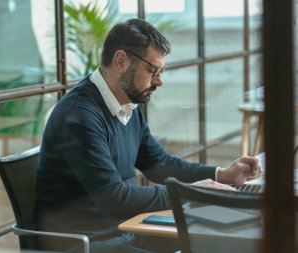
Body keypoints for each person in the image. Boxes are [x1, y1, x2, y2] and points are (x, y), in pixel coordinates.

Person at [34, 18, 261, 253]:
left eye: (161, 71)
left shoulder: (128, 105)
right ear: (121, 61)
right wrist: (194, 192)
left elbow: (158, 164)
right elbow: (115, 199)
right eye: (153, 70)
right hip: (86, 244)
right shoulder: (79, 116)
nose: (159, 81)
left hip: (127, 230)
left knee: (224, 243)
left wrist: (222, 175)